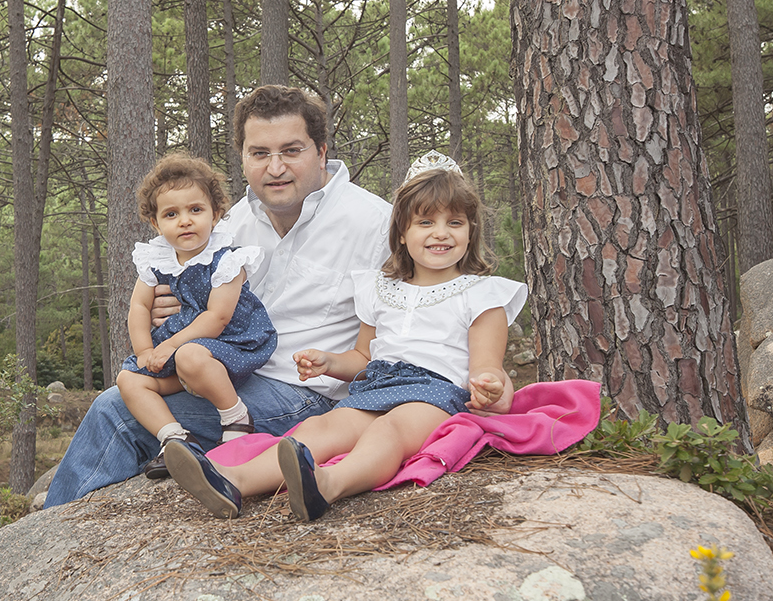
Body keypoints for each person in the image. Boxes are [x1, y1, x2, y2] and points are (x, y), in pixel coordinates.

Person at [43, 84, 391, 506]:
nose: (275, 167)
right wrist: (168, 308)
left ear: (320, 151)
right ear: (243, 157)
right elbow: (183, 294)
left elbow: (402, 324)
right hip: (219, 368)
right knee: (128, 390)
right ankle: (64, 537)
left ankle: (49, 547)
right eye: (260, 153)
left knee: (114, 412)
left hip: (302, 392)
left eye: (291, 151)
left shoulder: (375, 225)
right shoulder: (229, 224)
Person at [167, 155, 525, 520]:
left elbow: (487, 366)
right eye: (425, 221)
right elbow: (364, 359)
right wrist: (330, 363)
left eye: (455, 222)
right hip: (379, 387)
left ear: (470, 230)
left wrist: (490, 385)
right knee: (323, 426)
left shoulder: (482, 295)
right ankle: (232, 480)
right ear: (402, 231)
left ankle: (328, 484)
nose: (440, 232)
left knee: (390, 430)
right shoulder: (381, 289)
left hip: (434, 394)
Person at [116, 152, 278, 456]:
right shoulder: (157, 259)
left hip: (232, 341)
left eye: (195, 209)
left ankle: (237, 419)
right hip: (184, 349)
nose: (185, 220)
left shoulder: (227, 260)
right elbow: (139, 307)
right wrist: (144, 351)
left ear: (214, 215)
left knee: (189, 354)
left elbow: (217, 317)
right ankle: (174, 439)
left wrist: (171, 346)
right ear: (155, 222)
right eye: (171, 214)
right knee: (128, 379)